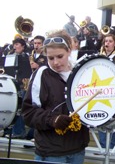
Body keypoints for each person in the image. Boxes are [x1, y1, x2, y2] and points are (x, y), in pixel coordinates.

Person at [21, 30, 89, 164]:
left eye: (60, 56)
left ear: (69, 51)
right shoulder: (41, 74)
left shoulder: (81, 72)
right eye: (50, 58)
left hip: (77, 149)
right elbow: (28, 112)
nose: (56, 62)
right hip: (50, 152)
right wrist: (53, 120)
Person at [98, 33, 115, 149]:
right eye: (106, 41)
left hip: (114, 91)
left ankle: (113, 146)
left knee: (114, 119)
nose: (107, 43)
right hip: (100, 91)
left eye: (110, 41)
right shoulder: (99, 55)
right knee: (100, 118)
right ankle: (103, 146)